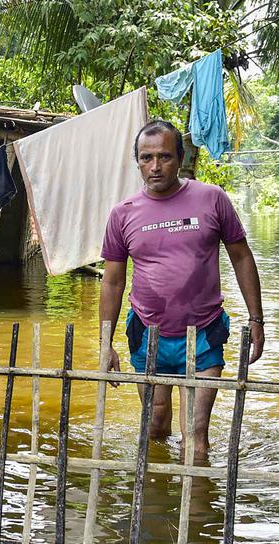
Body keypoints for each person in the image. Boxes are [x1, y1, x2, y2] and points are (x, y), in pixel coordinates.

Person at [99, 120, 264, 455]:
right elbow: (113, 281)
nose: (155, 166)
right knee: (155, 426)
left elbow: (242, 257)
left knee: (196, 436)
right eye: (146, 158)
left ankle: (197, 505)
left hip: (203, 333)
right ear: (138, 162)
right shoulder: (122, 214)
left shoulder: (212, 198)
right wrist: (106, 343)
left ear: (180, 158)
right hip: (149, 332)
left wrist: (256, 319)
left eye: (164, 157)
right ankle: (158, 504)